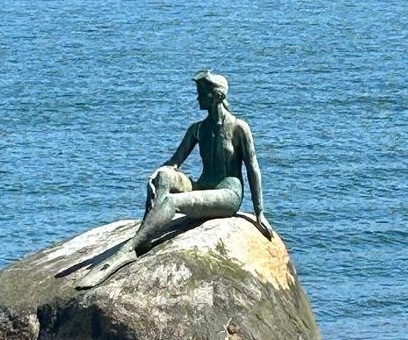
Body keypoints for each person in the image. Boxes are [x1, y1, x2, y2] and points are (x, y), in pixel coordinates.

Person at [76, 70, 272, 289]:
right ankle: (147, 235)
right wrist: (156, 175)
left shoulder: (238, 128)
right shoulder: (198, 129)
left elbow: (253, 169)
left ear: (216, 96)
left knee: (171, 202)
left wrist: (259, 212)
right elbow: (174, 162)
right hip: (203, 185)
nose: (197, 98)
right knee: (164, 177)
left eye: (201, 93)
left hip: (228, 193)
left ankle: (131, 247)